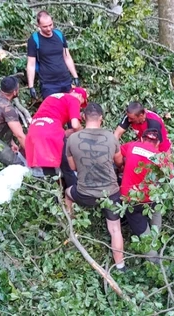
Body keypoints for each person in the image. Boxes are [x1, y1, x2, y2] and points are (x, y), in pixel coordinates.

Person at [65, 102, 126, 270]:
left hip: (85, 195)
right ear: (101, 119)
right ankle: (120, 265)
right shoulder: (111, 138)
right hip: (111, 194)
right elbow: (119, 162)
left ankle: (70, 223)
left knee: (68, 192)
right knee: (115, 229)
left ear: (83, 117)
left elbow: (72, 168)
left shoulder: (72, 139)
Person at [25, 87, 88, 188]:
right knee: (67, 167)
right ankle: (74, 193)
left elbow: (57, 128)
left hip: (35, 130)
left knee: (48, 169)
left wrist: (71, 132)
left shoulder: (53, 97)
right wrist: (84, 132)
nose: (80, 106)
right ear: (80, 96)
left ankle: (53, 196)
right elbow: (75, 125)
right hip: (50, 132)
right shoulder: (74, 99)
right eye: (82, 103)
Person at [26, 10, 80, 100]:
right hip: (48, 84)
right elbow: (31, 65)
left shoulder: (59, 35)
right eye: (45, 26)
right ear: (38, 25)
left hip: (65, 80)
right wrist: (31, 86)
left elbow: (67, 57)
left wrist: (75, 76)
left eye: (50, 25)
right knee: (53, 112)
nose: (49, 29)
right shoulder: (34, 39)